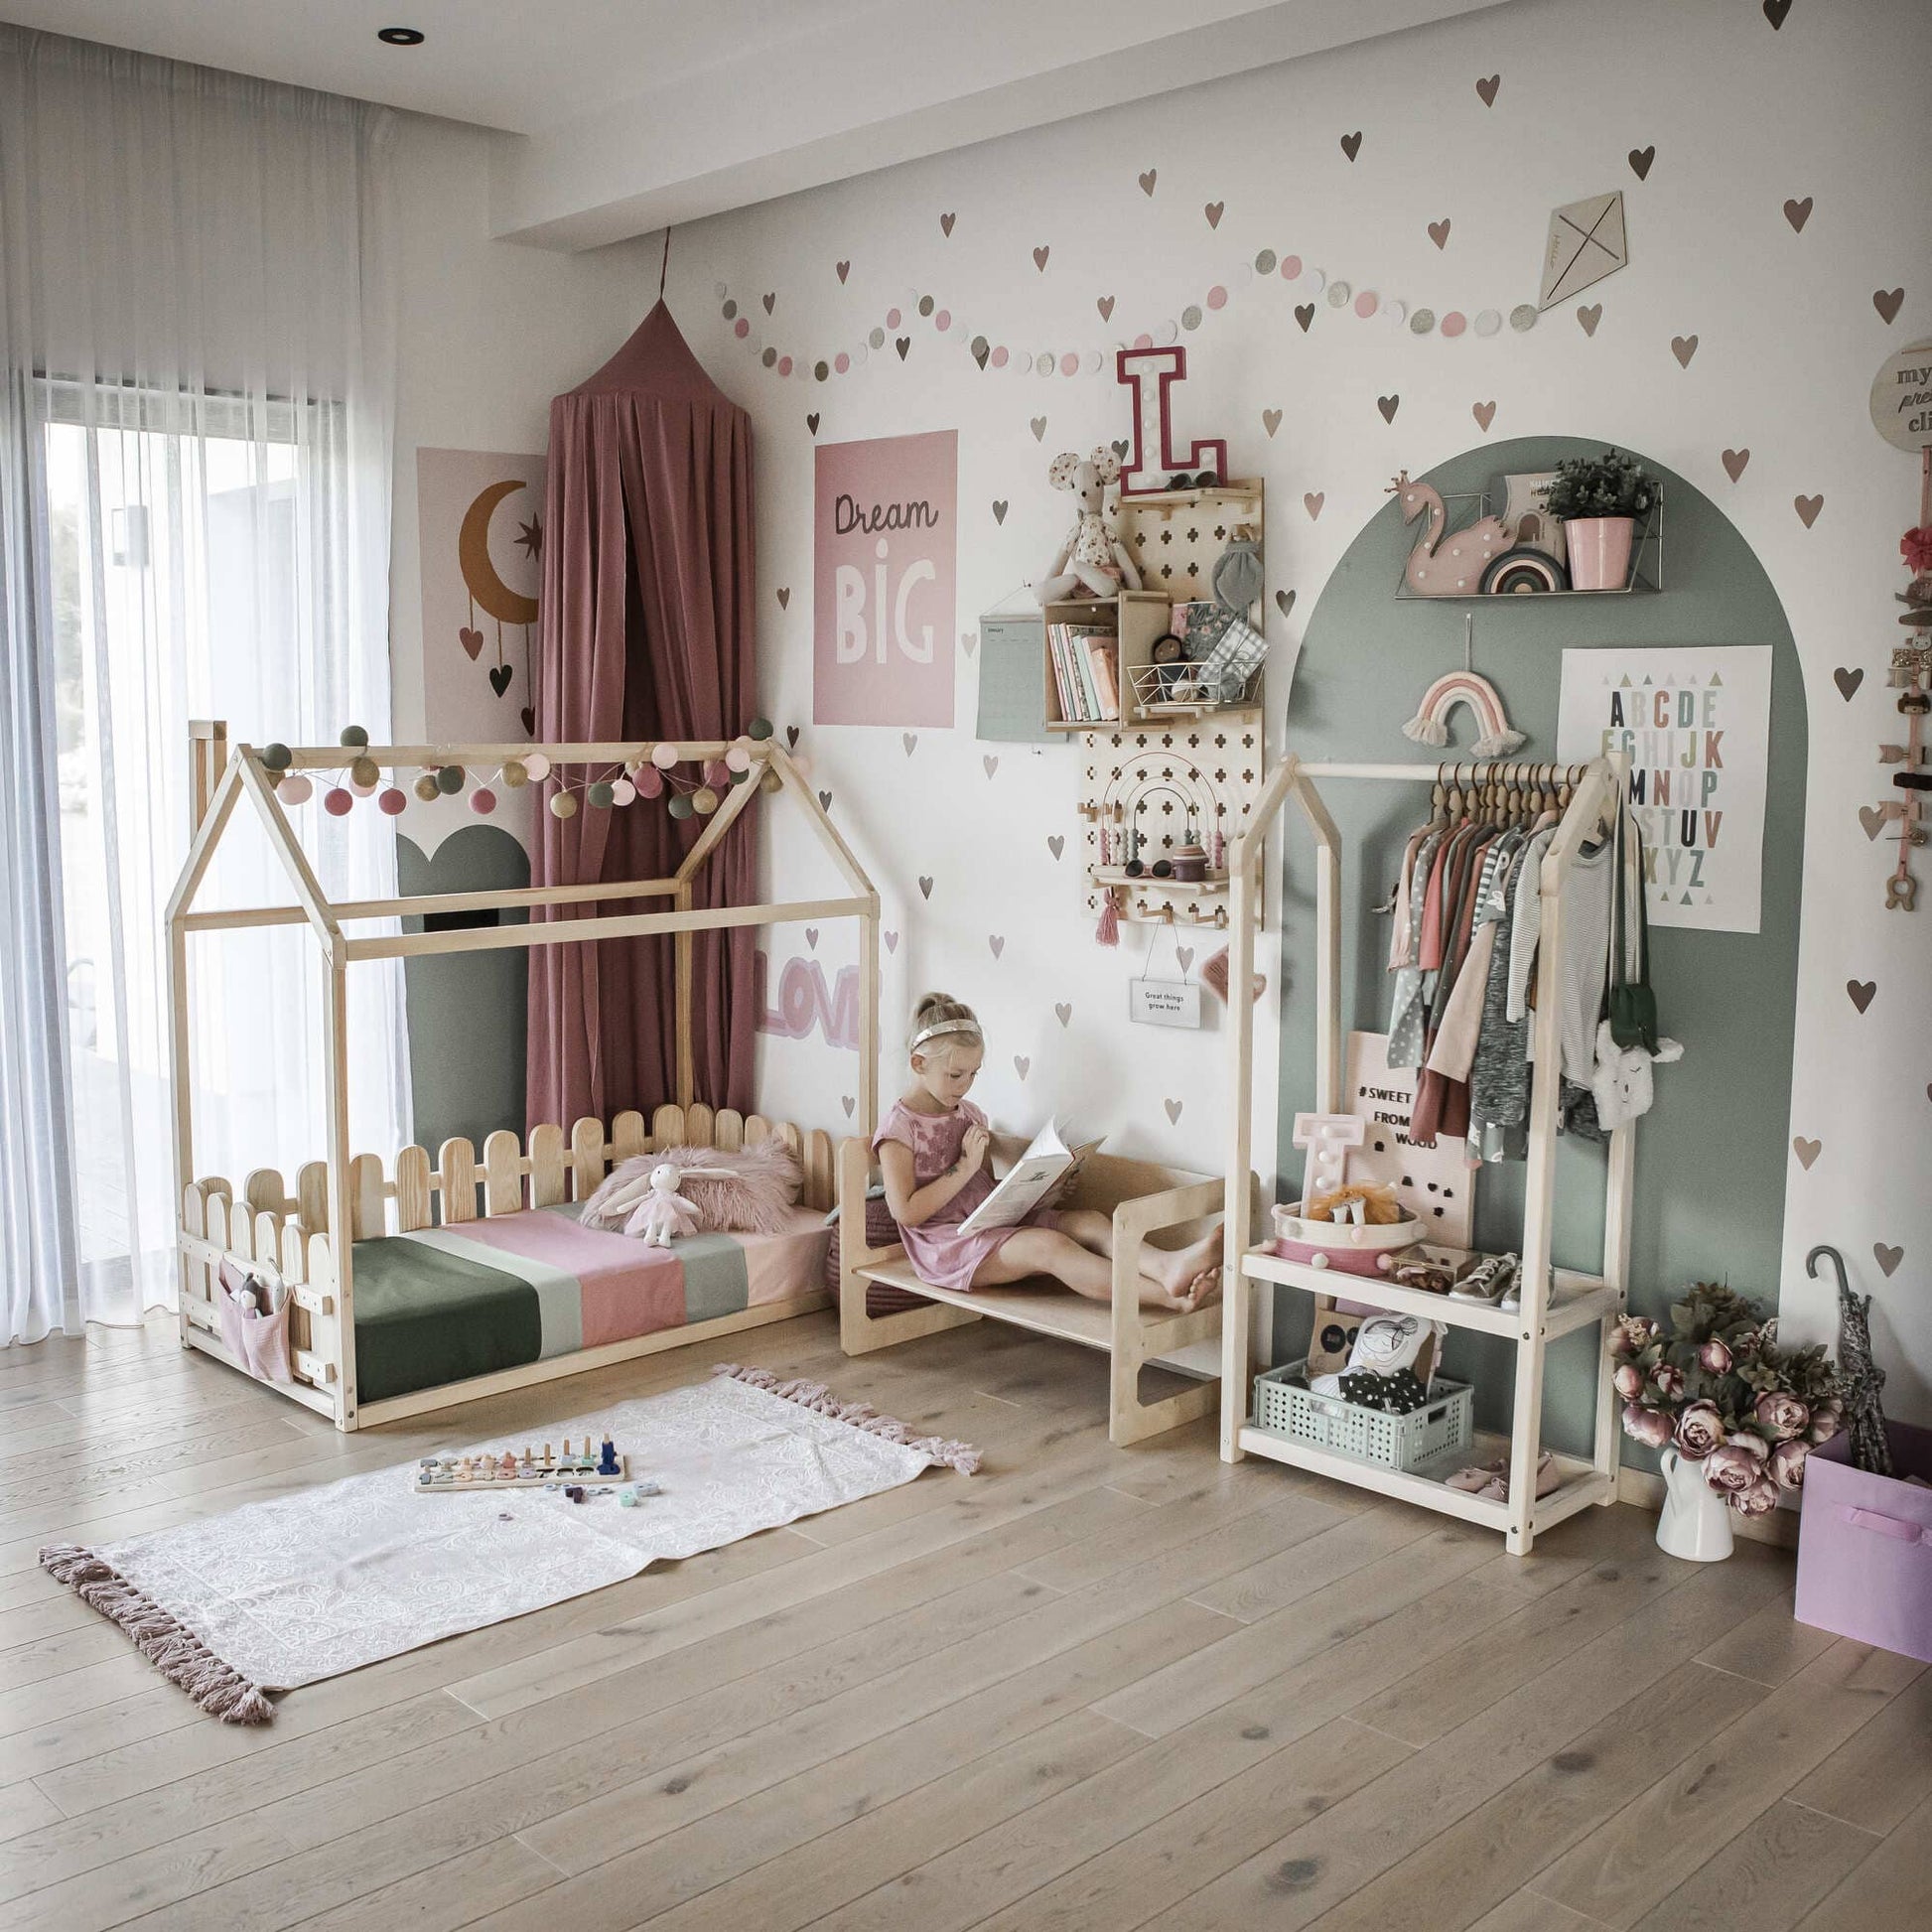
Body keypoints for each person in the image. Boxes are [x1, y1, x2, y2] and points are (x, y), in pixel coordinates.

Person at [875, 992, 1221, 1311]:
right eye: (955, 1075)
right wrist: (964, 1167)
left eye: (973, 1074)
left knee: (1088, 1221)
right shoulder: (899, 1128)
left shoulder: (969, 1114)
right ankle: (1169, 1298)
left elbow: (984, 1191)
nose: (965, 1086)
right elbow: (905, 1212)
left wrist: (1042, 1190)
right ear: (919, 1064)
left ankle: (1167, 1267)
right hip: (946, 1246)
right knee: (1049, 1245)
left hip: (987, 1225)